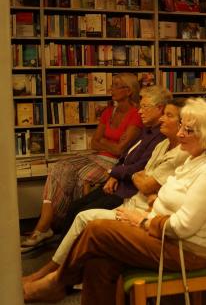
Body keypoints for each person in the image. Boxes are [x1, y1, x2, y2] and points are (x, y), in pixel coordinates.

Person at [22, 98, 206, 305]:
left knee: (97, 229)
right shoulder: (195, 159)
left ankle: (57, 283)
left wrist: (141, 220)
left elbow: (183, 227)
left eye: (188, 130)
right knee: (99, 262)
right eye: (181, 126)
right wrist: (150, 210)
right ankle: (59, 285)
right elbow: (165, 198)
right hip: (165, 239)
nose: (180, 133)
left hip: (186, 252)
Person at [22, 98, 189, 284]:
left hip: (140, 212)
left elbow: (145, 181)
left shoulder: (181, 152)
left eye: (168, 115)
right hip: (132, 201)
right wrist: (137, 178)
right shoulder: (162, 145)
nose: (162, 119)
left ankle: (53, 276)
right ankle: (62, 274)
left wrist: (137, 179)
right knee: (78, 207)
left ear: (183, 124)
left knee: (83, 218)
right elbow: (140, 174)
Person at [21, 73, 143, 250]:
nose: (111, 89)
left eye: (116, 85)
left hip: (114, 163)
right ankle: (45, 226)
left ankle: (72, 231)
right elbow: (94, 141)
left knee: (82, 176)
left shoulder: (136, 115)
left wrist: (104, 142)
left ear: (128, 90)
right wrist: (110, 143)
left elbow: (120, 151)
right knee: (59, 167)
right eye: (112, 85)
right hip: (96, 155)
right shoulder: (108, 111)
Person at [58, 85, 173, 234]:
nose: (139, 111)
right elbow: (124, 155)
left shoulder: (160, 136)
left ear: (160, 108)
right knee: (74, 206)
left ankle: (72, 253)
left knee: (82, 211)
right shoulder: (147, 129)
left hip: (127, 191)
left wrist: (113, 172)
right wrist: (114, 174)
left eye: (145, 107)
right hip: (118, 182)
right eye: (140, 106)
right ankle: (65, 247)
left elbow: (141, 166)